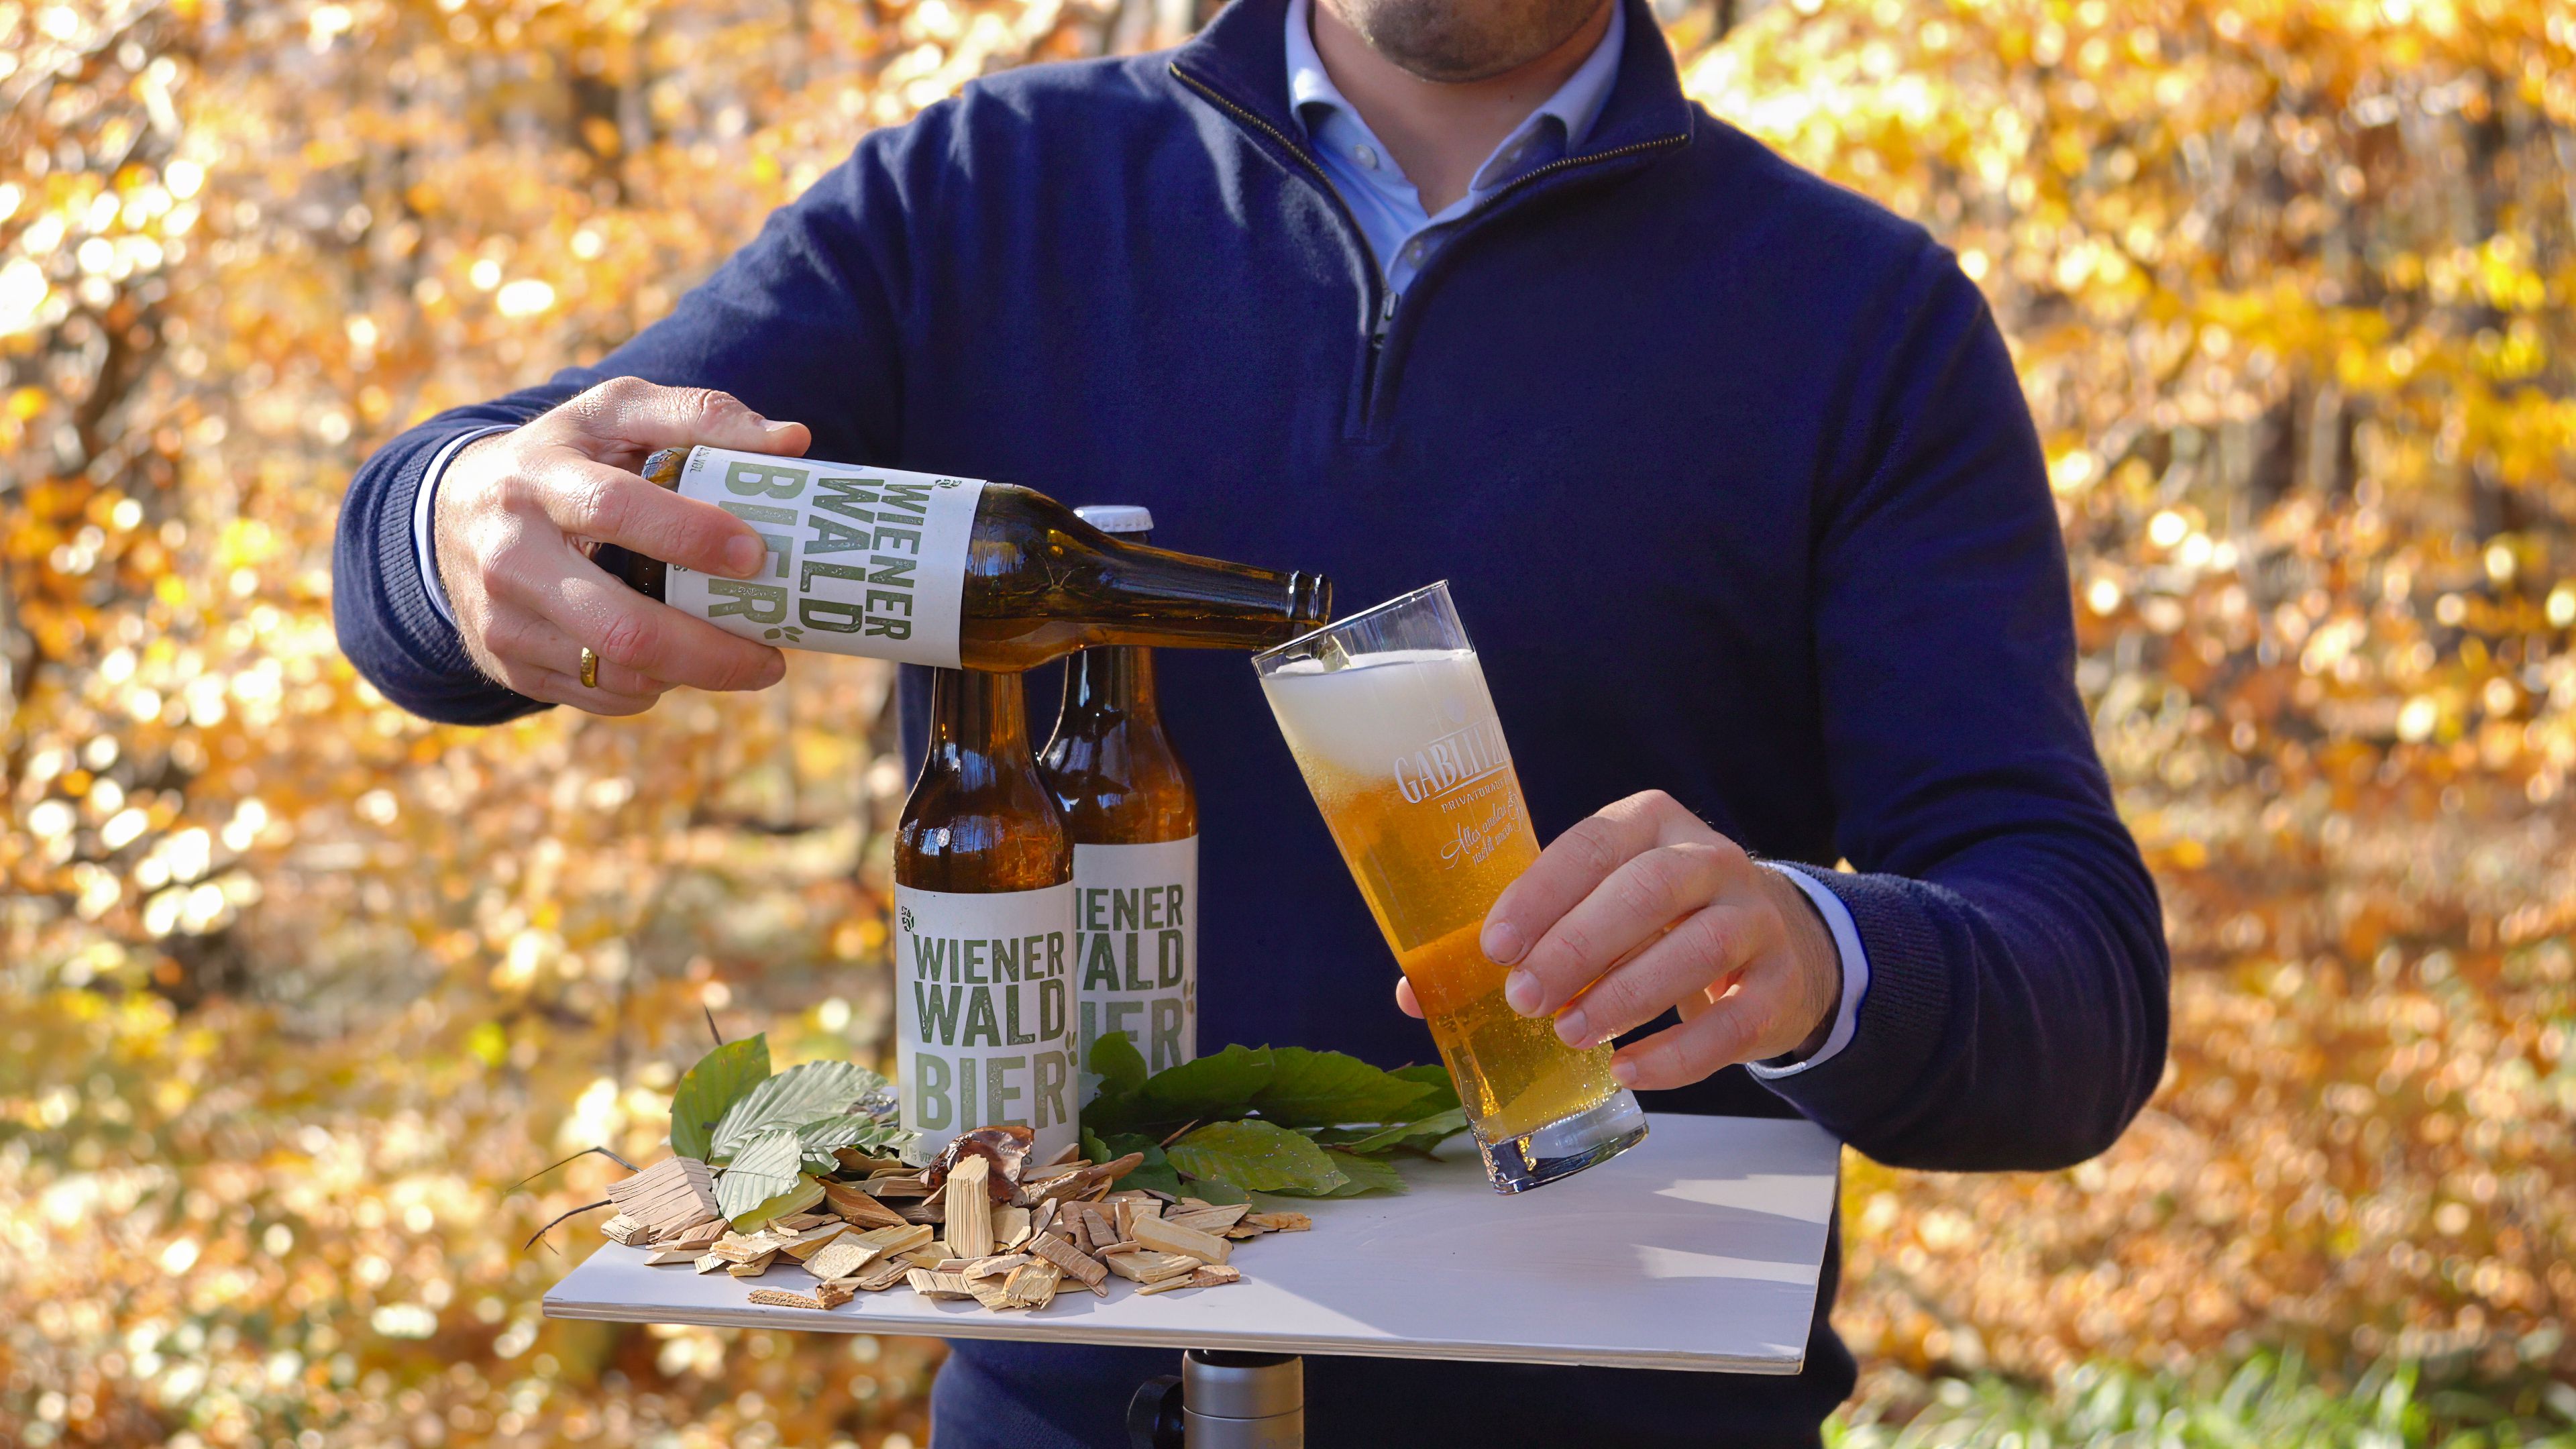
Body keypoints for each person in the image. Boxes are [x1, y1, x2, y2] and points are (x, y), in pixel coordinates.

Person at [333, 0, 2170, 1440]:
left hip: (1628, 1412)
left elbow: (2079, 984)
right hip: (1068, 1404)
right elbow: (541, 502)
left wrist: (1819, 948)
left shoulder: (1860, 319)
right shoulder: (986, 193)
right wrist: (457, 518)